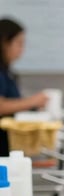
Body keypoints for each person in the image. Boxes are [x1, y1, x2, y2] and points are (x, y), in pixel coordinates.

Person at [0, 18, 48, 157]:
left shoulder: (7, 72)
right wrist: (32, 102)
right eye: (19, 43)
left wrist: (32, 107)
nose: (22, 49)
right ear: (4, 43)